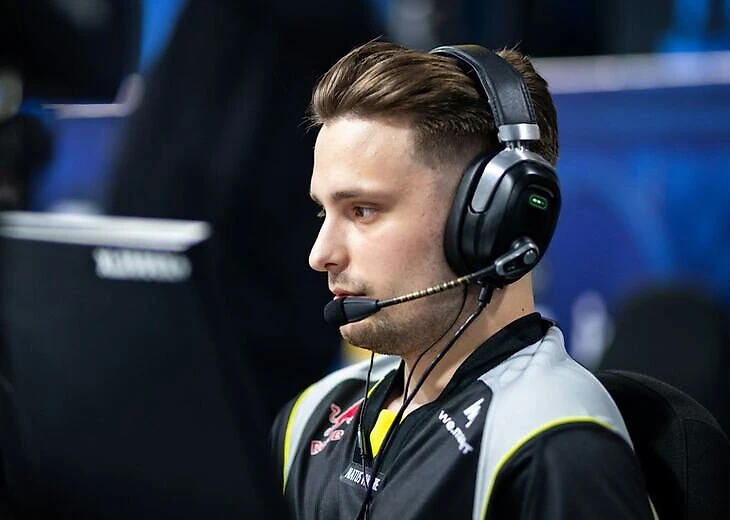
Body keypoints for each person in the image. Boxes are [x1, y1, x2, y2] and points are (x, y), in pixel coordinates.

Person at [270, 40, 656, 519]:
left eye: (363, 211)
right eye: (323, 212)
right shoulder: (309, 419)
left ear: (493, 221)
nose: (320, 255)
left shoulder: (554, 446)